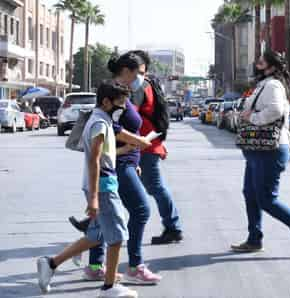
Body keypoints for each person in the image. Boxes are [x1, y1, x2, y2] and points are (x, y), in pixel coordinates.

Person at [36, 81, 137, 298]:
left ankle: (51, 263)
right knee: (118, 236)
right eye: (120, 103)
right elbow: (94, 161)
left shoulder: (103, 120)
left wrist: (126, 149)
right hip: (103, 186)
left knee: (96, 235)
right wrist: (93, 199)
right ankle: (109, 288)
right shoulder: (100, 124)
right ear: (106, 102)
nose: (123, 108)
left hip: (102, 183)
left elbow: (104, 157)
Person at [71, 51, 162, 284]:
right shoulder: (113, 96)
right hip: (116, 164)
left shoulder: (123, 95)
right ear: (127, 71)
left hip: (125, 162)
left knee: (105, 219)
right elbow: (112, 128)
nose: (143, 77)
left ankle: (94, 266)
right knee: (140, 210)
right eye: (140, 72)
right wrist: (138, 142)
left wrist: (136, 158)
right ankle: (135, 266)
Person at [231, 51, 290, 257]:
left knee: (266, 199)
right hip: (258, 149)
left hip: (267, 151)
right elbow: (283, 121)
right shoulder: (265, 85)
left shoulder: (272, 85)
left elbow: (276, 112)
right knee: (250, 194)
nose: (257, 64)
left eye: (261, 62)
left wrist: (251, 117)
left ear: (270, 67)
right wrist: (288, 140)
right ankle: (254, 239)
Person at [133, 50, 184, 245]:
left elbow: (132, 115)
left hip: (143, 145)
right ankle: (96, 224)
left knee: (154, 187)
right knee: (124, 186)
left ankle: (173, 227)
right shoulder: (149, 84)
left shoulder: (141, 86)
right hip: (147, 143)